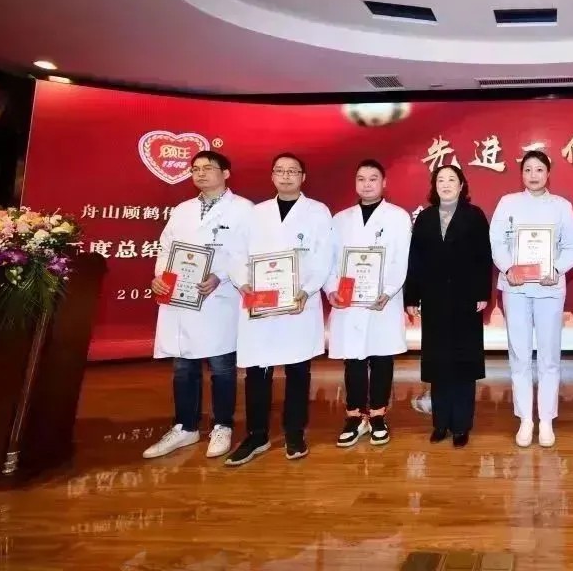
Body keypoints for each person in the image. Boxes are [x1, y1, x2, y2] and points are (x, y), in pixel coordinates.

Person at [225, 152, 334, 466]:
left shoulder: (318, 212)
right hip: (260, 303)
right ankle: (257, 434)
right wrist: (244, 282)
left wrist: (307, 289)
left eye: (293, 171)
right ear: (272, 176)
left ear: (303, 177)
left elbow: (323, 256)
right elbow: (235, 253)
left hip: (298, 301)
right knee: (257, 370)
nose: (286, 176)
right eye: (280, 171)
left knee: (298, 369)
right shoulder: (254, 213)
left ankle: (294, 432)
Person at [143, 151, 253, 460]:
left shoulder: (244, 210)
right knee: (183, 365)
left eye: (208, 168)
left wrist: (220, 276)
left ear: (226, 173)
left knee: (221, 366)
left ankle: (222, 425)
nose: (200, 173)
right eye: (195, 169)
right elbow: (166, 247)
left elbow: (247, 253)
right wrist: (160, 277)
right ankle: (185, 427)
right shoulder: (183, 210)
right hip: (180, 297)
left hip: (219, 299)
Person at [489, 150, 573, 448]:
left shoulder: (561, 206)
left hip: (549, 288)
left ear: (548, 173)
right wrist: (508, 268)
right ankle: (526, 419)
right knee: (519, 354)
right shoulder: (508, 203)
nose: (533, 175)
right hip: (515, 287)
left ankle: (547, 420)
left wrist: (557, 268)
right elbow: (497, 242)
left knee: (549, 356)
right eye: (528, 169)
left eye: (539, 169)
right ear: (521, 174)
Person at [404, 164, 492, 448]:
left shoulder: (474, 215)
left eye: (451, 179)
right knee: (439, 362)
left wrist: (482, 293)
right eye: (440, 180)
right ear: (434, 186)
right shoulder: (425, 217)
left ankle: (462, 425)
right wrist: (411, 297)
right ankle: (440, 423)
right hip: (434, 299)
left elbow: (483, 257)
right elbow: (415, 260)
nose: (445, 184)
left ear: (461, 185)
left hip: (466, 299)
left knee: (463, 362)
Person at [325, 159, 412, 447]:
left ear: (384, 183)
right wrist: (330, 289)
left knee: (382, 357)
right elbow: (330, 260)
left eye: (373, 178)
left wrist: (388, 290)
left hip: (381, 299)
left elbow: (401, 259)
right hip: (348, 299)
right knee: (353, 359)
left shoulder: (398, 217)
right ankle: (354, 416)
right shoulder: (340, 220)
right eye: (361, 179)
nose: (367, 184)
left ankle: (377, 415)